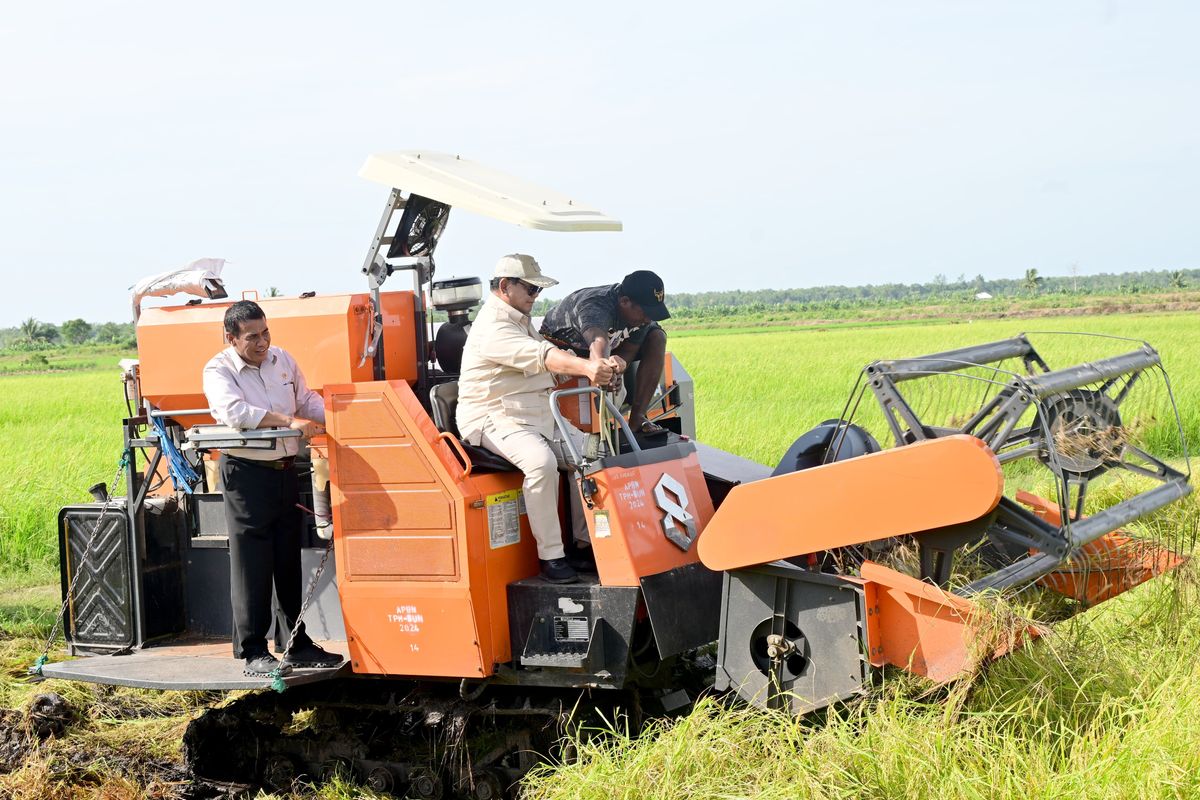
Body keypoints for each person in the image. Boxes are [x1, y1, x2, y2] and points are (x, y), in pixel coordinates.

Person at [456, 255, 619, 584]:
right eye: (530, 289)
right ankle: (552, 557)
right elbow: (541, 356)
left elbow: (553, 358)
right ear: (505, 286)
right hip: (492, 415)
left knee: (591, 455)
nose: (535, 296)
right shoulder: (493, 327)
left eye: (537, 290)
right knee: (541, 463)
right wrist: (588, 368)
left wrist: (604, 364)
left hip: (534, 412)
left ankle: (585, 544)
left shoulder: (519, 319)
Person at [202, 300, 344, 677]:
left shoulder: (282, 360)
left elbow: (305, 399)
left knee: (287, 559)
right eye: (252, 337)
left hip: (285, 471)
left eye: (265, 333)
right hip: (247, 475)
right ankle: (253, 650)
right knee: (253, 564)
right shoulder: (218, 370)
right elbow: (234, 413)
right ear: (230, 338)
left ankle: (296, 643)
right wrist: (288, 421)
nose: (262, 342)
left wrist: (342, 415)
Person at [539, 270, 671, 435]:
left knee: (657, 337)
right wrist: (605, 373)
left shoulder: (640, 317)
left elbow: (629, 349)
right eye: (645, 313)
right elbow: (598, 343)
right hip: (567, 347)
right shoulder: (595, 305)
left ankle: (638, 418)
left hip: (608, 345)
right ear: (624, 302)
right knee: (602, 375)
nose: (648, 319)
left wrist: (617, 369)